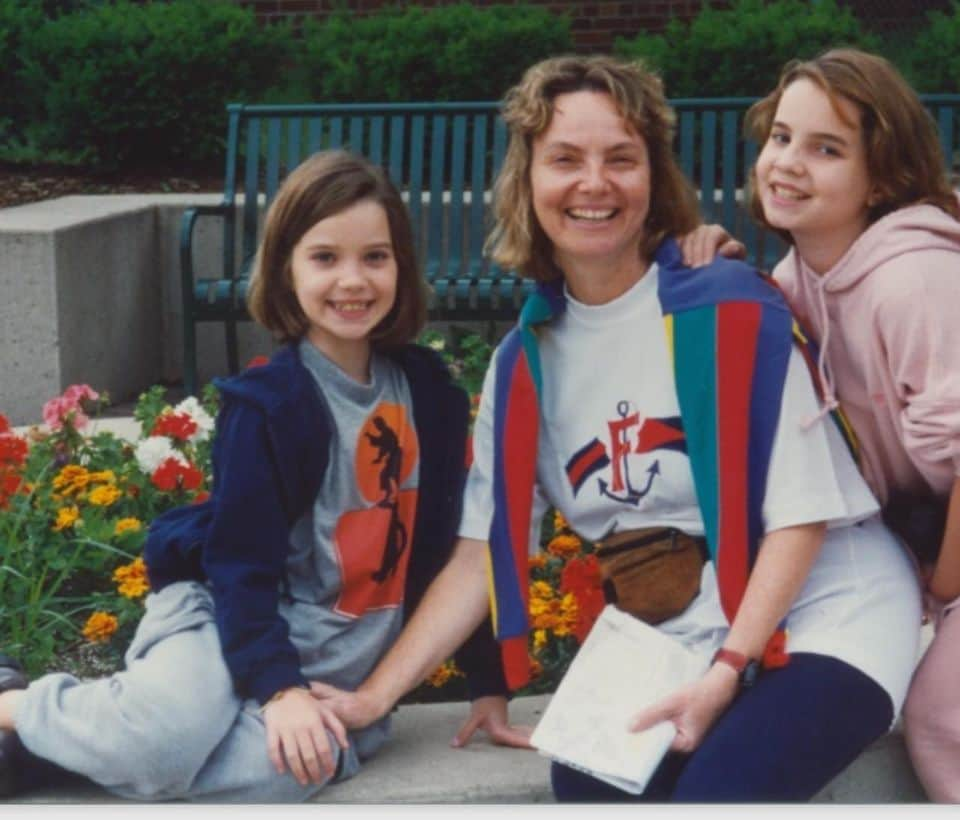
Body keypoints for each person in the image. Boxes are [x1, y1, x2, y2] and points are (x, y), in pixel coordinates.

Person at [309, 55, 922, 802]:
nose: (593, 184)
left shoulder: (725, 311)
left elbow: (799, 519)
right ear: (527, 181)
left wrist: (728, 671)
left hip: (831, 606)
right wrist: (374, 697)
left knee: (720, 795)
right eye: (565, 159)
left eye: (621, 160)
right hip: (682, 625)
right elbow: (481, 554)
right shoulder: (523, 367)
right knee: (588, 791)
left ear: (653, 179)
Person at [0, 149, 521, 802]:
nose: (353, 280)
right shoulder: (270, 406)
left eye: (375, 257)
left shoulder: (431, 397)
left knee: (280, 771)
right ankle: (17, 703)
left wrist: (488, 683)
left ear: (401, 267)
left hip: (332, 663)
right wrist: (278, 690)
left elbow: (449, 548)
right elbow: (240, 568)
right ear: (285, 270)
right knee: (173, 736)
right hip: (222, 615)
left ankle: (68, 754)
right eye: (325, 258)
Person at [681, 48, 960, 803]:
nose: (789, 163)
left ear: (885, 177)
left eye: (826, 149)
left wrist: (945, 587)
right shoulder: (803, 280)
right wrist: (719, 260)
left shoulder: (910, 283)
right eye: (781, 137)